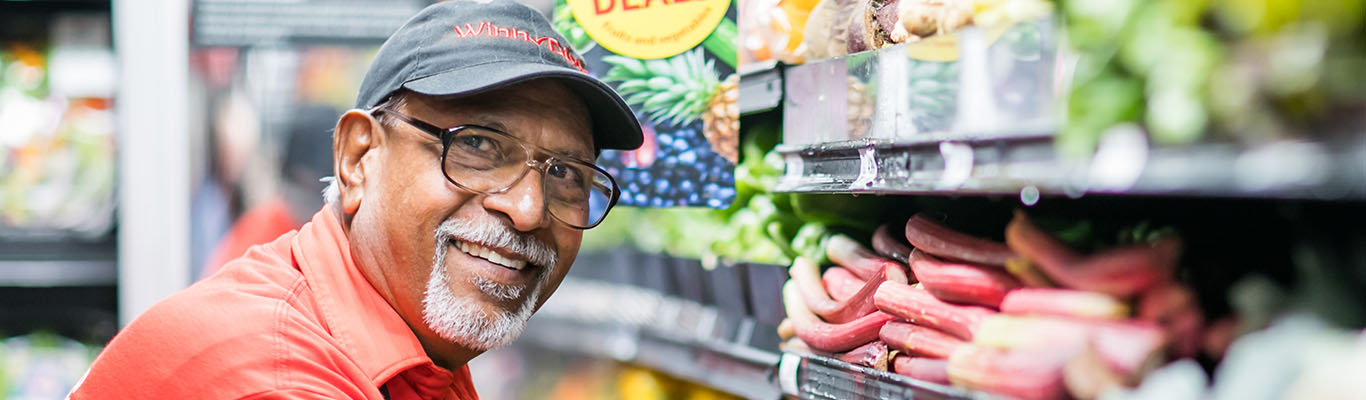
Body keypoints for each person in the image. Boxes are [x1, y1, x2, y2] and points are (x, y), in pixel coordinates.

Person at [69, 1, 641, 398]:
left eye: (566, 173)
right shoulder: (276, 376)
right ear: (357, 157)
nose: (527, 209)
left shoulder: (411, 347)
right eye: (477, 147)